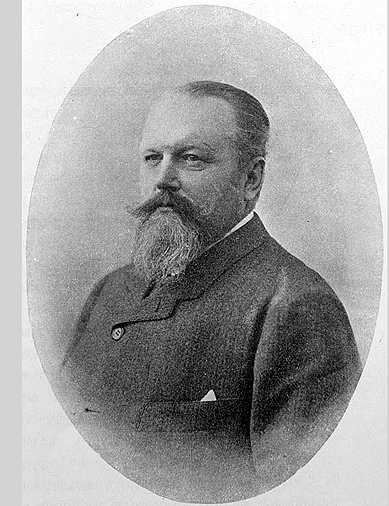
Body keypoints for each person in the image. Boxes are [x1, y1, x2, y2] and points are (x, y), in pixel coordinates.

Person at [58, 81, 362, 503]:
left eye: (191, 159)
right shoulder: (112, 290)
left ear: (251, 179)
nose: (163, 180)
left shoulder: (297, 307)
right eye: (152, 158)